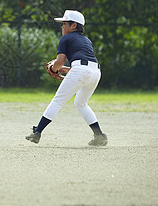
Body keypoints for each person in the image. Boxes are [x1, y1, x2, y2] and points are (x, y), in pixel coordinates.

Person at [26, 10, 107, 146]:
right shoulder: (87, 40)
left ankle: (37, 132)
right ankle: (99, 135)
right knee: (81, 103)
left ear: (74, 25)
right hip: (96, 72)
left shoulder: (66, 38)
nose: (62, 27)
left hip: (82, 70)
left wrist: (53, 68)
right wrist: (65, 69)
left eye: (64, 23)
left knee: (58, 101)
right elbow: (85, 65)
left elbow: (59, 62)